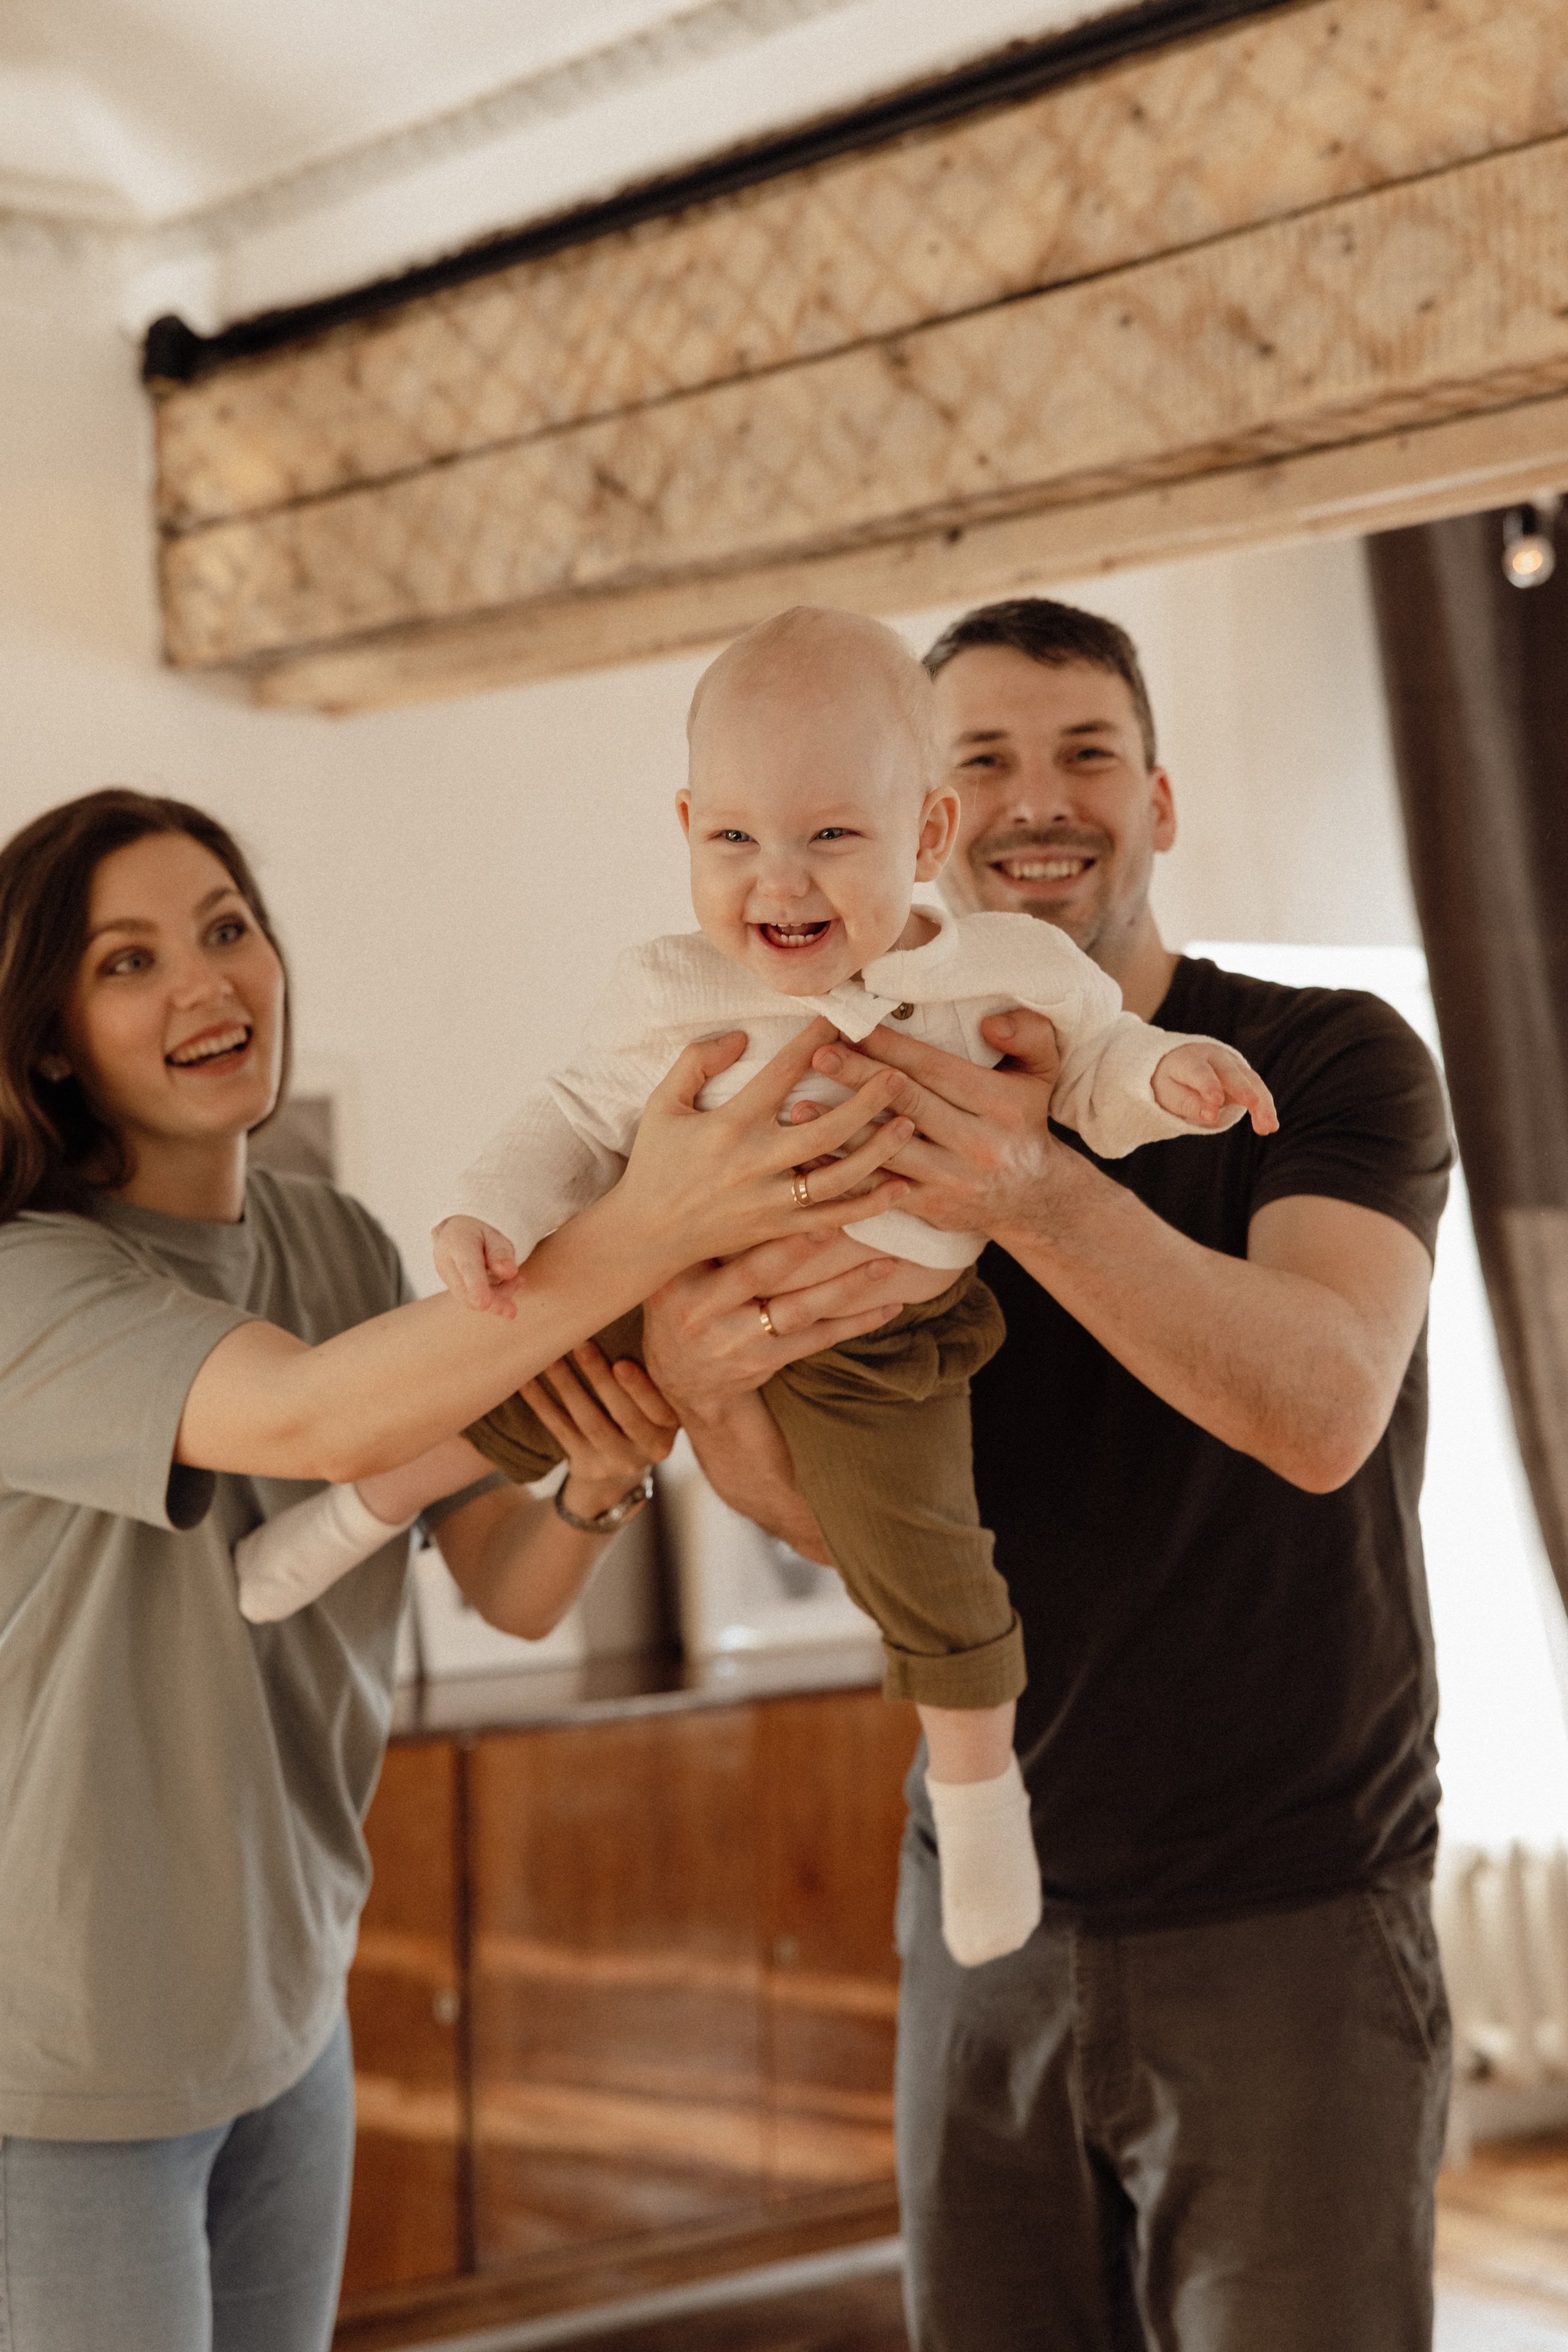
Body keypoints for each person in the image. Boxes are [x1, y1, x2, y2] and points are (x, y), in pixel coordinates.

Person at [627, 598, 1455, 2350]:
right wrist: (700, 1383)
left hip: (1291, 1914)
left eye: (1086, 752)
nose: (1036, 799)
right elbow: (832, 1513)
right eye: (979, 757)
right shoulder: (829, 1090)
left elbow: (1322, 1411)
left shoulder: (1316, 1065)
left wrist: (1030, 1187)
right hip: (982, 1910)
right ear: (920, 813)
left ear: (1159, 803)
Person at [0, 787, 912, 2352]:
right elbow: (301, 1417)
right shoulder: (25, 1275)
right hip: (62, 2064)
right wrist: (649, 1220)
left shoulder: (336, 1241)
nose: (206, 984)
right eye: (129, 962)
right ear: (54, 1034)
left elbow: (504, 1588)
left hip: (287, 2017)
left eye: (227, 930)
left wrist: (600, 1481)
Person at [237, 608, 1274, 1969]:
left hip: (885, 1333)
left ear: (924, 836)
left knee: (932, 1555)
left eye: (829, 837)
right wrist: (490, 1208)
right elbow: (570, 1115)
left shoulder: (1003, 971)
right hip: (678, 1277)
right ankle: (364, 1506)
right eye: (733, 839)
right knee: (517, 1355)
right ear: (683, 828)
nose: (776, 880)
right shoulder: (670, 991)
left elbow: (1094, 1066)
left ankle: (974, 1801)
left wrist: (1168, 1083)